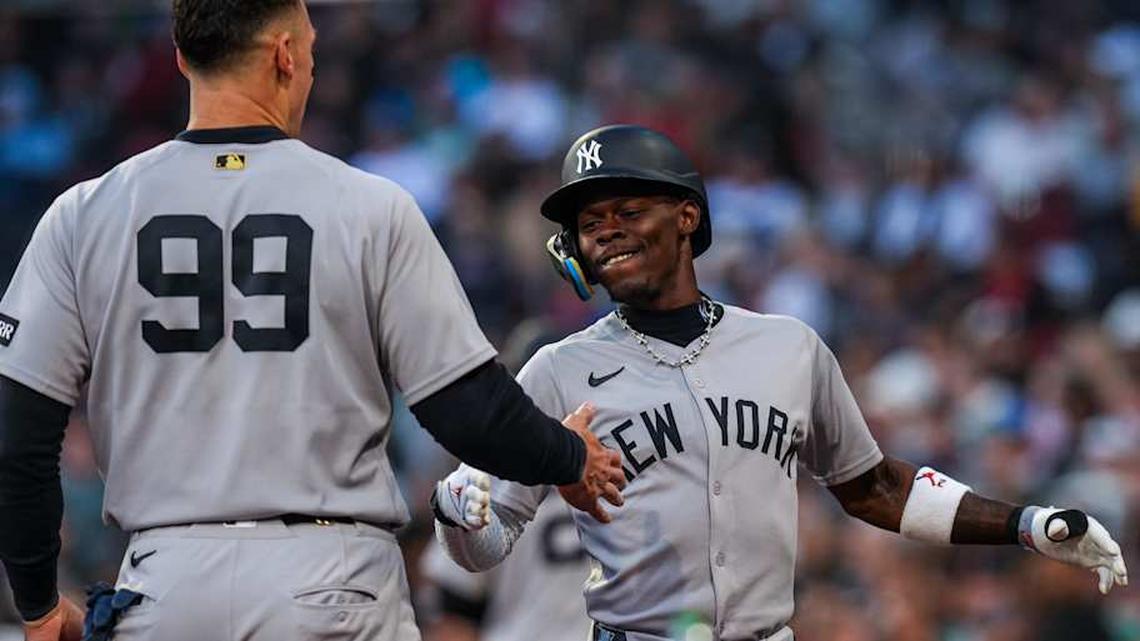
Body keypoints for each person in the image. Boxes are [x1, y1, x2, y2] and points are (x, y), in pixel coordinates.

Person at [0, 2, 625, 641]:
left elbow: (17, 437)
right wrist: (569, 455)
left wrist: (38, 604)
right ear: (285, 55)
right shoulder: (368, 206)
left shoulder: (83, 213)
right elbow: (467, 411)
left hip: (166, 584)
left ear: (184, 56)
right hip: (332, 580)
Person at [431, 124, 1129, 641]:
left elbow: (876, 487)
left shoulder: (787, 346)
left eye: (626, 211)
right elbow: (487, 542)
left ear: (686, 215)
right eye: (589, 224)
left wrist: (1027, 523)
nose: (606, 233)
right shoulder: (557, 368)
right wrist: (457, 510)